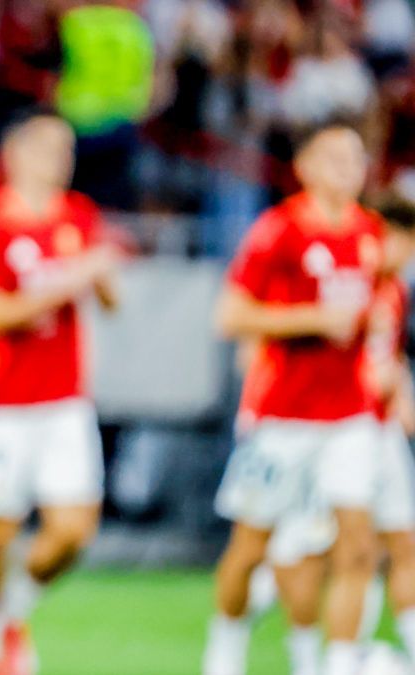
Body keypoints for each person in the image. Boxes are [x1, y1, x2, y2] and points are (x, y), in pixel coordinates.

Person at [204, 121, 382, 675]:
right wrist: (311, 319)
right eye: (334, 157)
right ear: (303, 167)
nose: (348, 169)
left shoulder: (369, 233)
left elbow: (377, 312)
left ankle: (338, 662)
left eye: (355, 157)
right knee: (251, 545)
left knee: (357, 544)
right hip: (281, 415)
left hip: (350, 414)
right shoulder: (278, 230)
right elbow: (229, 316)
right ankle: (225, 646)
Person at [0, 107, 121, 675]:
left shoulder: (79, 215)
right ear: (16, 154)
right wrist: (71, 278)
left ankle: (12, 613)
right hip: (3, 402)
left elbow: (110, 299)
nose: (61, 160)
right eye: (49, 148)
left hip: (66, 399)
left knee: (74, 532)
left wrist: (101, 274)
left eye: (67, 149)